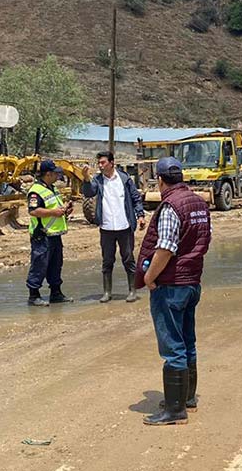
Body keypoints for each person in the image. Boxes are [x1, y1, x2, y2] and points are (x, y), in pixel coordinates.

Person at [136, 157, 212, 426]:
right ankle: (186, 398)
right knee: (188, 341)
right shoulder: (198, 203)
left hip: (171, 286)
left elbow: (166, 247)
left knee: (172, 347)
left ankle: (175, 410)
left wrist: (149, 277)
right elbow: (203, 239)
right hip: (192, 282)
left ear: (160, 179)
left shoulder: (170, 206)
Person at [82, 151, 145, 303]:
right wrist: (85, 178)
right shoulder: (97, 179)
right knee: (107, 261)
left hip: (124, 226)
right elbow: (89, 192)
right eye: (99, 163)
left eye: (103, 162)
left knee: (128, 259)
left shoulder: (124, 179)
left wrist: (140, 215)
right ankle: (107, 292)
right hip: (107, 227)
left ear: (112, 163)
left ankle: (132, 291)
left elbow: (136, 198)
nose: (100, 166)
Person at [26, 160, 75, 307]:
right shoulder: (36, 191)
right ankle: (34, 295)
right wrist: (54, 212)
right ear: (48, 174)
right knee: (39, 265)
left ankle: (56, 293)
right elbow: (33, 211)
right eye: (56, 173)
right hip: (42, 235)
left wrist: (65, 210)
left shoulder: (52, 188)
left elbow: (55, 209)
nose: (58, 176)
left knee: (55, 265)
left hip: (54, 234)